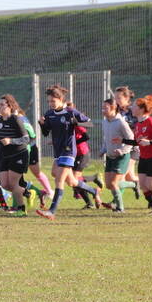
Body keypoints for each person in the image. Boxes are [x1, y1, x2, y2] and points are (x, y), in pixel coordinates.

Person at [36, 85, 98, 220]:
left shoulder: (70, 112)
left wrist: (77, 123)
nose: (50, 103)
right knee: (71, 181)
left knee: (59, 180)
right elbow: (46, 133)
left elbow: (90, 124)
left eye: (53, 101)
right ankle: (94, 191)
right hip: (58, 151)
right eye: (49, 101)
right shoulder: (49, 114)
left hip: (69, 150)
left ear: (61, 99)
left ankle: (52, 211)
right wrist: (42, 124)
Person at [113, 95, 152, 215]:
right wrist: (122, 140)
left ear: (141, 109)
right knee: (143, 185)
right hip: (144, 157)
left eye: (134, 106)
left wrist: (151, 142)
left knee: (151, 185)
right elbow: (137, 142)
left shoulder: (151, 121)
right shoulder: (138, 124)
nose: (131, 107)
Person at [0, 95, 31, 216]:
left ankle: (21, 210)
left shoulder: (16, 119)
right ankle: (28, 193)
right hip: (5, 156)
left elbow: (26, 139)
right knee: (5, 184)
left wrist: (11, 141)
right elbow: (0, 138)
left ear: (10, 106)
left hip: (19, 155)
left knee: (13, 184)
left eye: (2, 105)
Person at [100, 98, 135, 213]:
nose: (103, 110)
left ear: (114, 108)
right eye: (102, 107)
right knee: (109, 184)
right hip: (110, 156)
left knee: (114, 183)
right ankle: (134, 184)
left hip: (122, 157)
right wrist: (104, 149)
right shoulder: (105, 121)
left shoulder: (121, 122)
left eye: (106, 108)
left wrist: (122, 150)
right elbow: (107, 139)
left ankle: (120, 208)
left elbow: (131, 139)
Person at [115, 86, 141, 199]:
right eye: (115, 97)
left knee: (122, 175)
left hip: (133, 146)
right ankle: (147, 185)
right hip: (121, 146)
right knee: (130, 177)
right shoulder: (116, 111)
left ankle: (116, 202)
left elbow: (138, 127)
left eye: (119, 98)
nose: (116, 100)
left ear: (127, 98)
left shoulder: (132, 111)